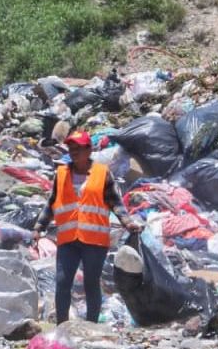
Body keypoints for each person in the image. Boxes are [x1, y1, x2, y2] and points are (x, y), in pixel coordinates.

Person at [32, 130, 140, 323]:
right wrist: (39, 226)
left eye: (78, 148)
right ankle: (62, 326)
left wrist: (128, 222)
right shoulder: (62, 173)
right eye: (71, 148)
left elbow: (115, 202)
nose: (74, 152)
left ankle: (91, 325)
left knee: (91, 283)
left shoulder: (102, 173)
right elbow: (52, 202)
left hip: (94, 240)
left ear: (89, 150)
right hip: (68, 239)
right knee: (63, 282)